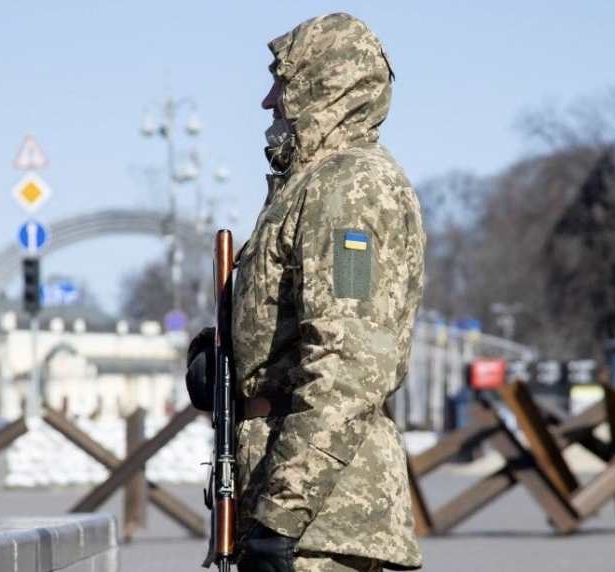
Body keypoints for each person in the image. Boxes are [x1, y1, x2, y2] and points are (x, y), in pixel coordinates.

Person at [189, 12, 425, 572]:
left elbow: (347, 364)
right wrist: (222, 360)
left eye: (283, 82)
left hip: (319, 523)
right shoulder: (309, 186)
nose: (269, 101)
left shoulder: (349, 189)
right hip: (289, 503)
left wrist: (281, 518)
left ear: (324, 83)